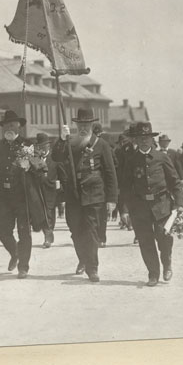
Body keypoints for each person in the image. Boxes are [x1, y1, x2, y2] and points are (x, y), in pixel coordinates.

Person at [52, 108, 118, 282]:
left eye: (86, 125)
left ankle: (92, 268)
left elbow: (110, 173)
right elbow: (56, 157)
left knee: (90, 231)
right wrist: (60, 138)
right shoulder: (70, 143)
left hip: (94, 194)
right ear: (76, 125)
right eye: (80, 124)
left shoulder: (101, 144)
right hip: (73, 194)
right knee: (75, 230)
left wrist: (112, 199)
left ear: (92, 125)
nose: (83, 128)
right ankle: (83, 258)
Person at [118, 122, 181, 286]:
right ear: (136, 140)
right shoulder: (131, 160)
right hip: (140, 207)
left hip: (161, 205)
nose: (144, 141)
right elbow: (125, 186)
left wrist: (179, 203)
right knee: (145, 241)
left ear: (152, 139)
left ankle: (167, 262)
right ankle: (153, 273)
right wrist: (124, 209)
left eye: (147, 138)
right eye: (140, 138)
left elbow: (175, 182)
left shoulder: (161, 157)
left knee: (163, 236)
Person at [0, 109, 46, 279]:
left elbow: (41, 168)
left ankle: (23, 266)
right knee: (2, 231)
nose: (9, 128)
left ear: (19, 127)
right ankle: (15, 253)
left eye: (12, 125)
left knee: (24, 232)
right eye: (6, 125)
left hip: (22, 196)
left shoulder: (27, 145)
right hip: (3, 196)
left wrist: (30, 167)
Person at [26, 133, 61, 249]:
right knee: (42, 213)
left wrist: (60, 185)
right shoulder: (34, 158)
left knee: (50, 213)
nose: (42, 148)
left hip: (51, 190)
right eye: (40, 146)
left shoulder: (55, 158)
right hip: (38, 190)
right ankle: (47, 234)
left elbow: (62, 174)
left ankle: (49, 234)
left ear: (48, 146)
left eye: (44, 146)